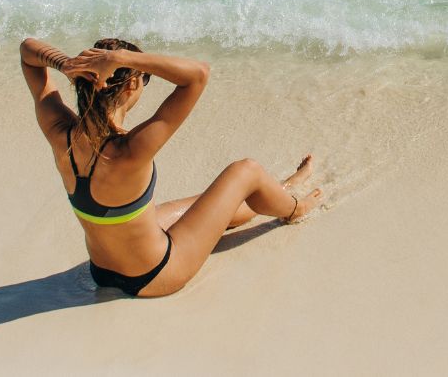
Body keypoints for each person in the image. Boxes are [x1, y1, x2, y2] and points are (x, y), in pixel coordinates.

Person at [19, 37, 321, 298]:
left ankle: (281, 188)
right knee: (246, 170)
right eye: (144, 79)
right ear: (134, 83)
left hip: (102, 271)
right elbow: (198, 75)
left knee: (194, 206)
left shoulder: (61, 134)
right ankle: (296, 209)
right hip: (156, 274)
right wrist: (121, 58)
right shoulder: (131, 149)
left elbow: (28, 51)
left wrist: (67, 64)